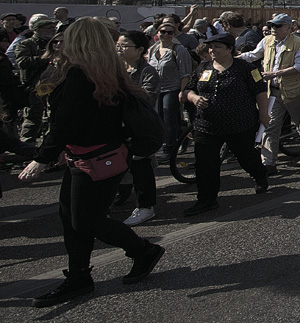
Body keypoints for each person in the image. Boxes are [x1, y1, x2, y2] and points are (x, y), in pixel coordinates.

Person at [18, 18, 166, 306]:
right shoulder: (107, 70)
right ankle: (79, 277)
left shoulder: (80, 73)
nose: (61, 43)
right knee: (73, 218)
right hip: (94, 154)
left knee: (85, 219)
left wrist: (42, 158)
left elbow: (66, 122)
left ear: (79, 41)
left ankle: (142, 250)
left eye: (67, 38)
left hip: (95, 158)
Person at [181, 34, 270, 216]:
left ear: (230, 49)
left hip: (239, 124)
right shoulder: (203, 68)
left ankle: (260, 175)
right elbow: (187, 90)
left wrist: (263, 114)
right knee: (205, 163)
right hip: (206, 125)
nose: (212, 50)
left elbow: (260, 91)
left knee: (246, 156)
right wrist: (195, 98)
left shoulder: (246, 68)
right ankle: (207, 200)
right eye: (211, 47)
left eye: (217, 47)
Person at [239, 14, 300, 174]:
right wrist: (235, 58)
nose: (273, 29)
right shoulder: (267, 41)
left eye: (277, 26)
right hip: (273, 92)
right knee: (269, 126)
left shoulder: (298, 43)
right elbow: (254, 55)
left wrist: (276, 73)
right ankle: (268, 163)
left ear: (288, 27)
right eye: (271, 26)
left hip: (293, 92)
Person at [116, 31, 160, 227]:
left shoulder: (147, 71)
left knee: (141, 166)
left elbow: (147, 99)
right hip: (117, 126)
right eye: (118, 45)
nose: (120, 49)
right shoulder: (115, 68)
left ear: (140, 50)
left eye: (125, 46)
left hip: (140, 129)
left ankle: (145, 207)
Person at [147, 19, 193, 164]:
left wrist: (182, 92)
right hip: (156, 89)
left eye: (170, 32)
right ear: (157, 33)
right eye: (163, 32)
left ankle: (169, 149)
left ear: (174, 34)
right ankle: (182, 138)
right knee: (158, 118)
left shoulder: (179, 50)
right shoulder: (153, 49)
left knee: (169, 118)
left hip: (172, 89)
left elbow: (185, 73)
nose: (166, 35)